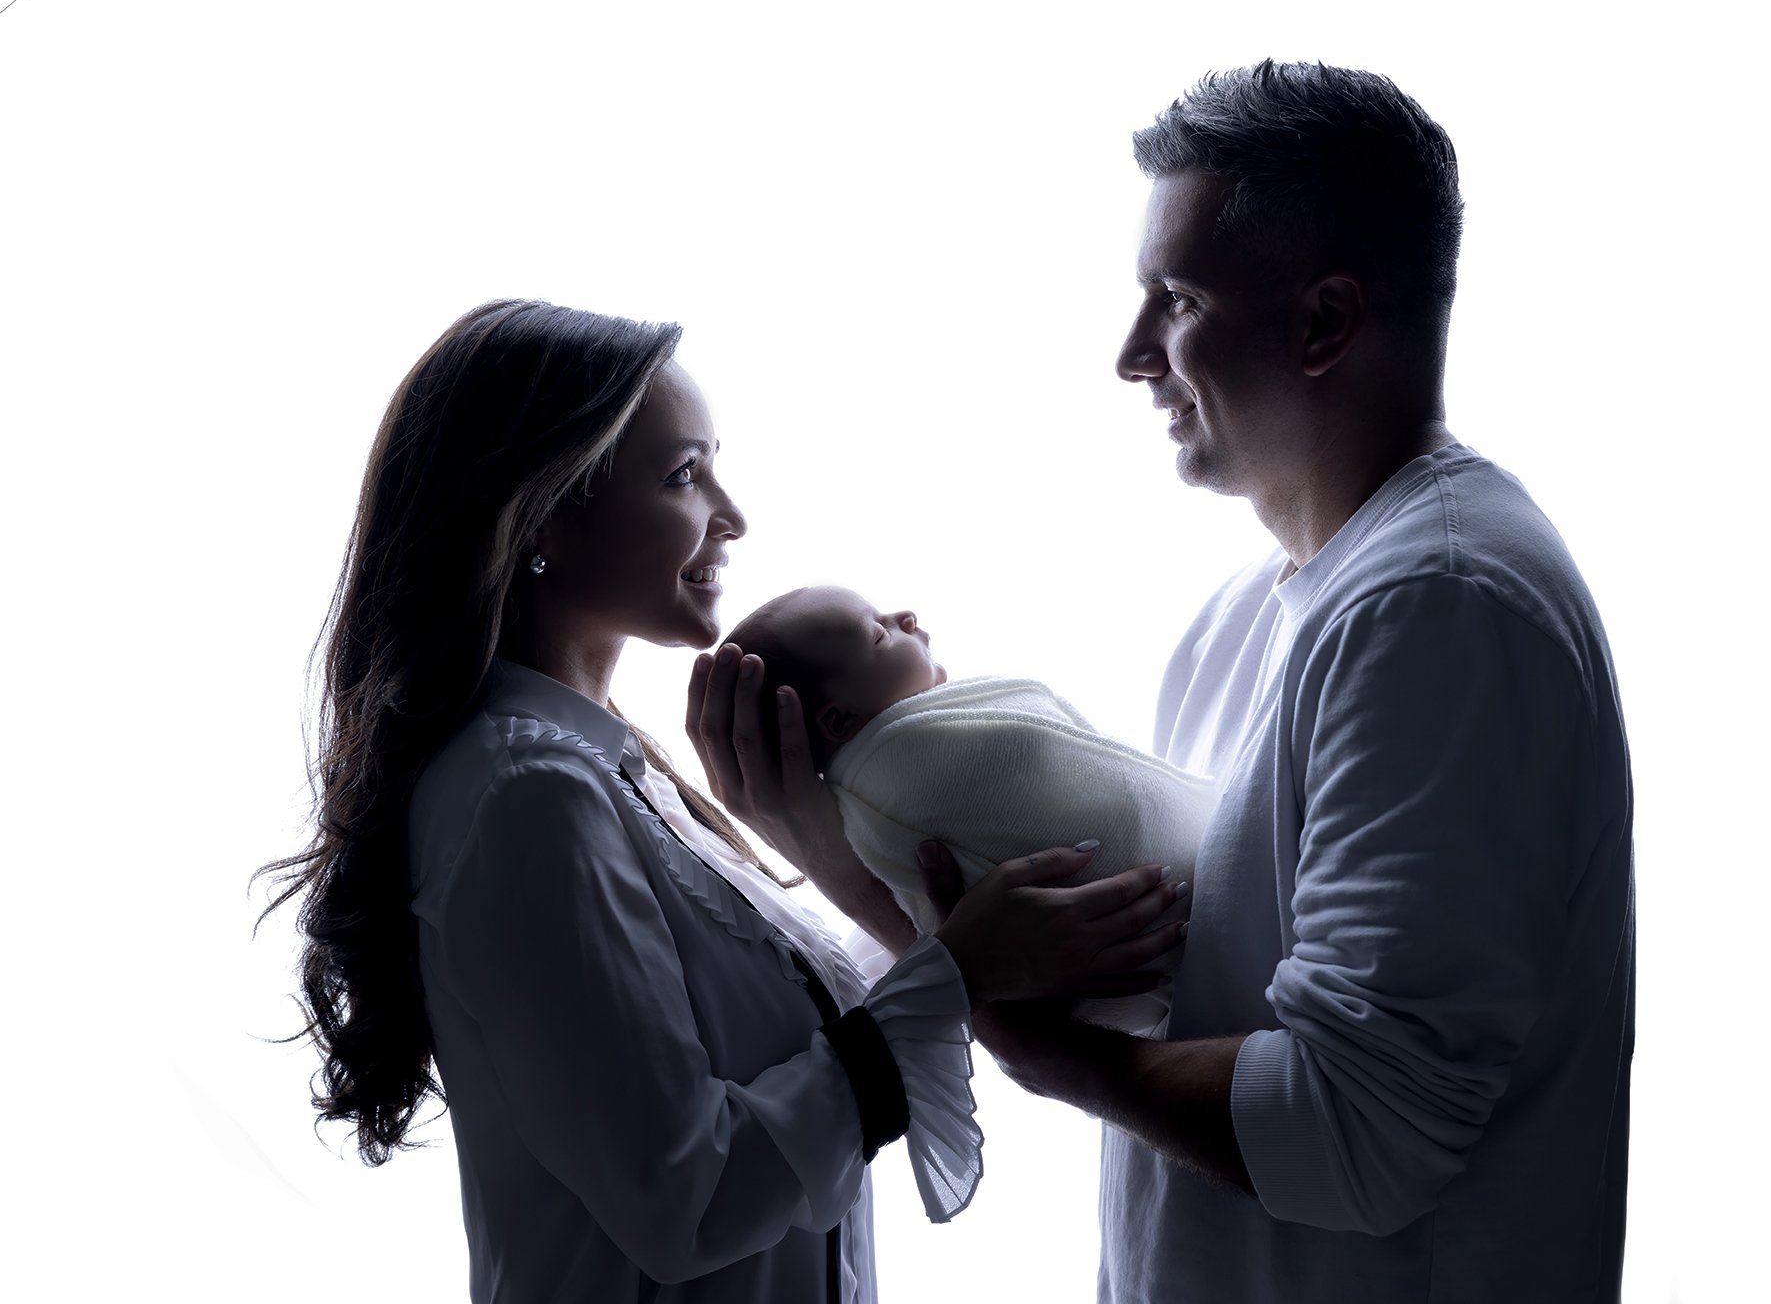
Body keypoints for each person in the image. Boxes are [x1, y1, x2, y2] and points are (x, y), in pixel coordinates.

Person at [694, 61, 1634, 1303]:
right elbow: (1137, 992)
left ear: (1324, 322)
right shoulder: (1248, 614)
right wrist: (845, 862)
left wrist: (1040, 1056)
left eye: (1176, 298)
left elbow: (1360, 1133)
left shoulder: (1441, 608)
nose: (1131, 354)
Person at [255, 300, 1187, 1304]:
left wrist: (901, 894)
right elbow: (686, 1197)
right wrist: (961, 971)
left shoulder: (611, 776)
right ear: (542, 521)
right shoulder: (526, 795)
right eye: (683, 476)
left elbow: (796, 1057)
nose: (732, 516)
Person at [723, 585, 1210, 1033]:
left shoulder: (858, 807)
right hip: (1181, 911)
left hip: (1150, 978)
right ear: (839, 718)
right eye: (878, 633)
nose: (905, 617)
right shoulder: (903, 768)